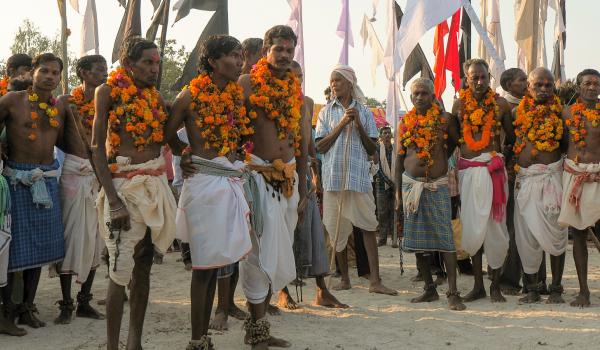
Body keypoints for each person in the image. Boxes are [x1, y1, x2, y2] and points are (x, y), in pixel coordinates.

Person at [165, 34, 253, 349]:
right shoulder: (189, 95)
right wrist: (183, 153)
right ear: (214, 61)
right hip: (203, 183)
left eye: (242, 56)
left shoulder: (235, 96)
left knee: (218, 263)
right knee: (203, 267)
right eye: (233, 55)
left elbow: (240, 137)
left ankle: (205, 334)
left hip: (228, 181)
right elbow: (167, 132)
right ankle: (196, 341)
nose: (240, 62)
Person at [91, 36, 178, 350]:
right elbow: (96, 149)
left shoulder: (155, 97)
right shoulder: (108, 91)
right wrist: (113, 201)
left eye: (157, 63)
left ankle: (134, 343)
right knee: (118, 271)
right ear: (128, 64)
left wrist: (190, 156)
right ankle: (113, 346)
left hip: (154, 186)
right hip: (124, 189)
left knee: (143, 265)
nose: (155, 69)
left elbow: (170, 137)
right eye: (148, 63)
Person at [237, 25, 307, 349]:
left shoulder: (294, 89)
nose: (284, 56)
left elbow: (301, 144)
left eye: (289, 51)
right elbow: (232, 131)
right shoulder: (248, 83)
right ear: (266, 49)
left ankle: (259, 329)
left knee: (275, 255)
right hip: (258, 178)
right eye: (278, 49)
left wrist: (305, 188)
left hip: (289, 183)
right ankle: (258, 333)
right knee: (257, 256)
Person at [316, 64, 397, 296]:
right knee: (336, 229)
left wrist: (358, 124)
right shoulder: (325, 112)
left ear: (350, 83)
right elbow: (320, 146)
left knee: (368, 227)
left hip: (359, 179)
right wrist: (342, 124)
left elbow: (372, 148)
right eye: (332, 81)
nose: (333, 84)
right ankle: (345, 279)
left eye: (338, 80)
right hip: (333, 180)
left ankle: (375, 281)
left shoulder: (364, 111)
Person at [0, 53, 67, 331]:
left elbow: (71, 144)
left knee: (41, 247)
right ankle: (5, 314)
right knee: (12, 250)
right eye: (45, 71)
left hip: (47, 180)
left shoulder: (59, 107)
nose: (50, 77)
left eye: (55, 73)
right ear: (33, 74)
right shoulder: (12, 101)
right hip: (17, 181)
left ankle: (27, 308)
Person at [395, 78, 465, 311]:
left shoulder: (445, 120)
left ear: (433, 96)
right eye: (416, 94)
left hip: (437, 186)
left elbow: (457, 144)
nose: (419, 97)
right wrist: (397, 192)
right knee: (417, 242)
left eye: (424, 93)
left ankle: (453, 292)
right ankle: (429, 289)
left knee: (445, 239)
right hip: (411, 186)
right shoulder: (405, 122)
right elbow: (398, 158)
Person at [284, 60, 348, 310]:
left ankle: (322, 290)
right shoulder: (269, 99)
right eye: (292, 76)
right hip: (279, 175)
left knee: (312, 230)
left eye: (300, 76)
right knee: (284, 233)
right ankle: (282, 290)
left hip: (304, 175)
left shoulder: (307, 102)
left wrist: (314, 172)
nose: (297, 81)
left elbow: (309, 141)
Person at [451, 58, 514, 303]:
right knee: (472, 227)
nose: (478, 81)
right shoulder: (458, 105)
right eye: (473, 77)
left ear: (490, 78)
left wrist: (500, 158)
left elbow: (512, 138)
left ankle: (495, 286)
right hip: (469, 173)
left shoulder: (500, 105)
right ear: (466, 79)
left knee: (496, 229)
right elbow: (457, 141)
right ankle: (478, 285)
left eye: (483, 77)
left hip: (493, 172)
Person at [53, 54, 107, 324]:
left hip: (98, 177)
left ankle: (85, 302)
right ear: (83, 73)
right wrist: (77, 160)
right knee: (71, 238)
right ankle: (66, 304)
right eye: (99, 70)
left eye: (106, 70)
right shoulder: (65, 102)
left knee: (96, 241)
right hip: (73, 175)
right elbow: (57, 138)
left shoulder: (105, 102)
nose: (104, 75)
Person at [512, 68, 567, 304]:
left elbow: (565, 146)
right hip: (524, 179)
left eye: (548, 85)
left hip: (552, 179)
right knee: (526, 236)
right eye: (539, 85)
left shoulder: (562, 114)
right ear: (528, 88)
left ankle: (555, 289)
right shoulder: (515, 113)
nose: (544, 89)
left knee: (557, 234)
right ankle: (532, 289)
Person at [558, 68, 600, 308]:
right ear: (578, 87)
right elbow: (564, 144)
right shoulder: (566, 113)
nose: (592, 87)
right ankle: (583, 291)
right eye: (588, 83)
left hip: (598, 178)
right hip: (575, 177)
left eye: (596, 84)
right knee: (580, 236)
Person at [375, 126, 396, 247]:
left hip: (395, 185)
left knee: (394, 211)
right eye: (384, 133)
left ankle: (394, 238)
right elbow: (377, 168)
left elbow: (399, 167)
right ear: (381, 137)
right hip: (381, 185)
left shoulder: (396, 149)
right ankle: (382, 238)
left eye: (389, 133)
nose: (387, 135)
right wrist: (388, 181)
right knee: (382, 212)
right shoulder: (377, 149)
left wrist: (395, 183)